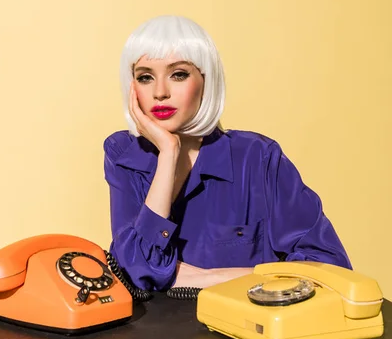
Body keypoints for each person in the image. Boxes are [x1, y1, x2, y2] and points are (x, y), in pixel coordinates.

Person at [104, 15, 351, 291]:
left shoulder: (257, 158)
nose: (160, 92)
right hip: (153, 333)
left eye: (179, 74)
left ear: (206, 81)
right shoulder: (123, 154)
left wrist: (202, 278)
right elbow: (138, 271)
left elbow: (330, 268)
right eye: (145, 77)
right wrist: (169, 153)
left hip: (245, 328)